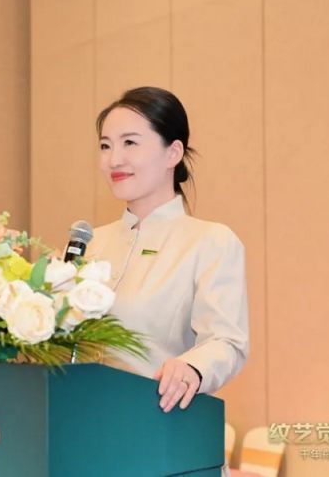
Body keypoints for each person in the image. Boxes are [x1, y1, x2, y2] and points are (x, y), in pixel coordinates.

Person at [87, 86, 249, 414]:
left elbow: (227, 342)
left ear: (173, 153)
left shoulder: (210, 241)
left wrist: (193, 367)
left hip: (159, 421)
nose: (114, 159)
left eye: (130, 143)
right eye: (105, 146)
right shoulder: (89, 244)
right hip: (81, 421)